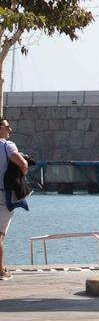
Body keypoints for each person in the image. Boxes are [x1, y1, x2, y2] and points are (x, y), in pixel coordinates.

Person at [0, 117, 29, 281]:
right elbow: (23, 163)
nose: (10, 130)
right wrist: (20, 177)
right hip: (2, 194)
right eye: (7, 127)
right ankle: (0, 270)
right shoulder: (7, 146)